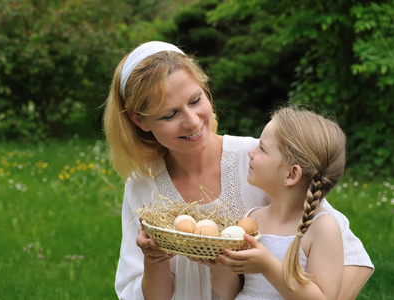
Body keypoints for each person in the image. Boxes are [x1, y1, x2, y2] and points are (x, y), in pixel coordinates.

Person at [103, 41, 374, 300]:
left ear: (205, 89)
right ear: (139, 120)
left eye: (195, 100)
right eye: (170, 115)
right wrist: (154, 260)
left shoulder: (262, 161)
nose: (192, 121)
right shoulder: (143, 186)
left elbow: (354, 260)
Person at [211, 107, 352, 299]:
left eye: (262, 148)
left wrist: (267, 266)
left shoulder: (322, 227)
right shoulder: (253, 218)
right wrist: (222, 267)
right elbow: (228, 293)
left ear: (291, 174)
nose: (251, 152)